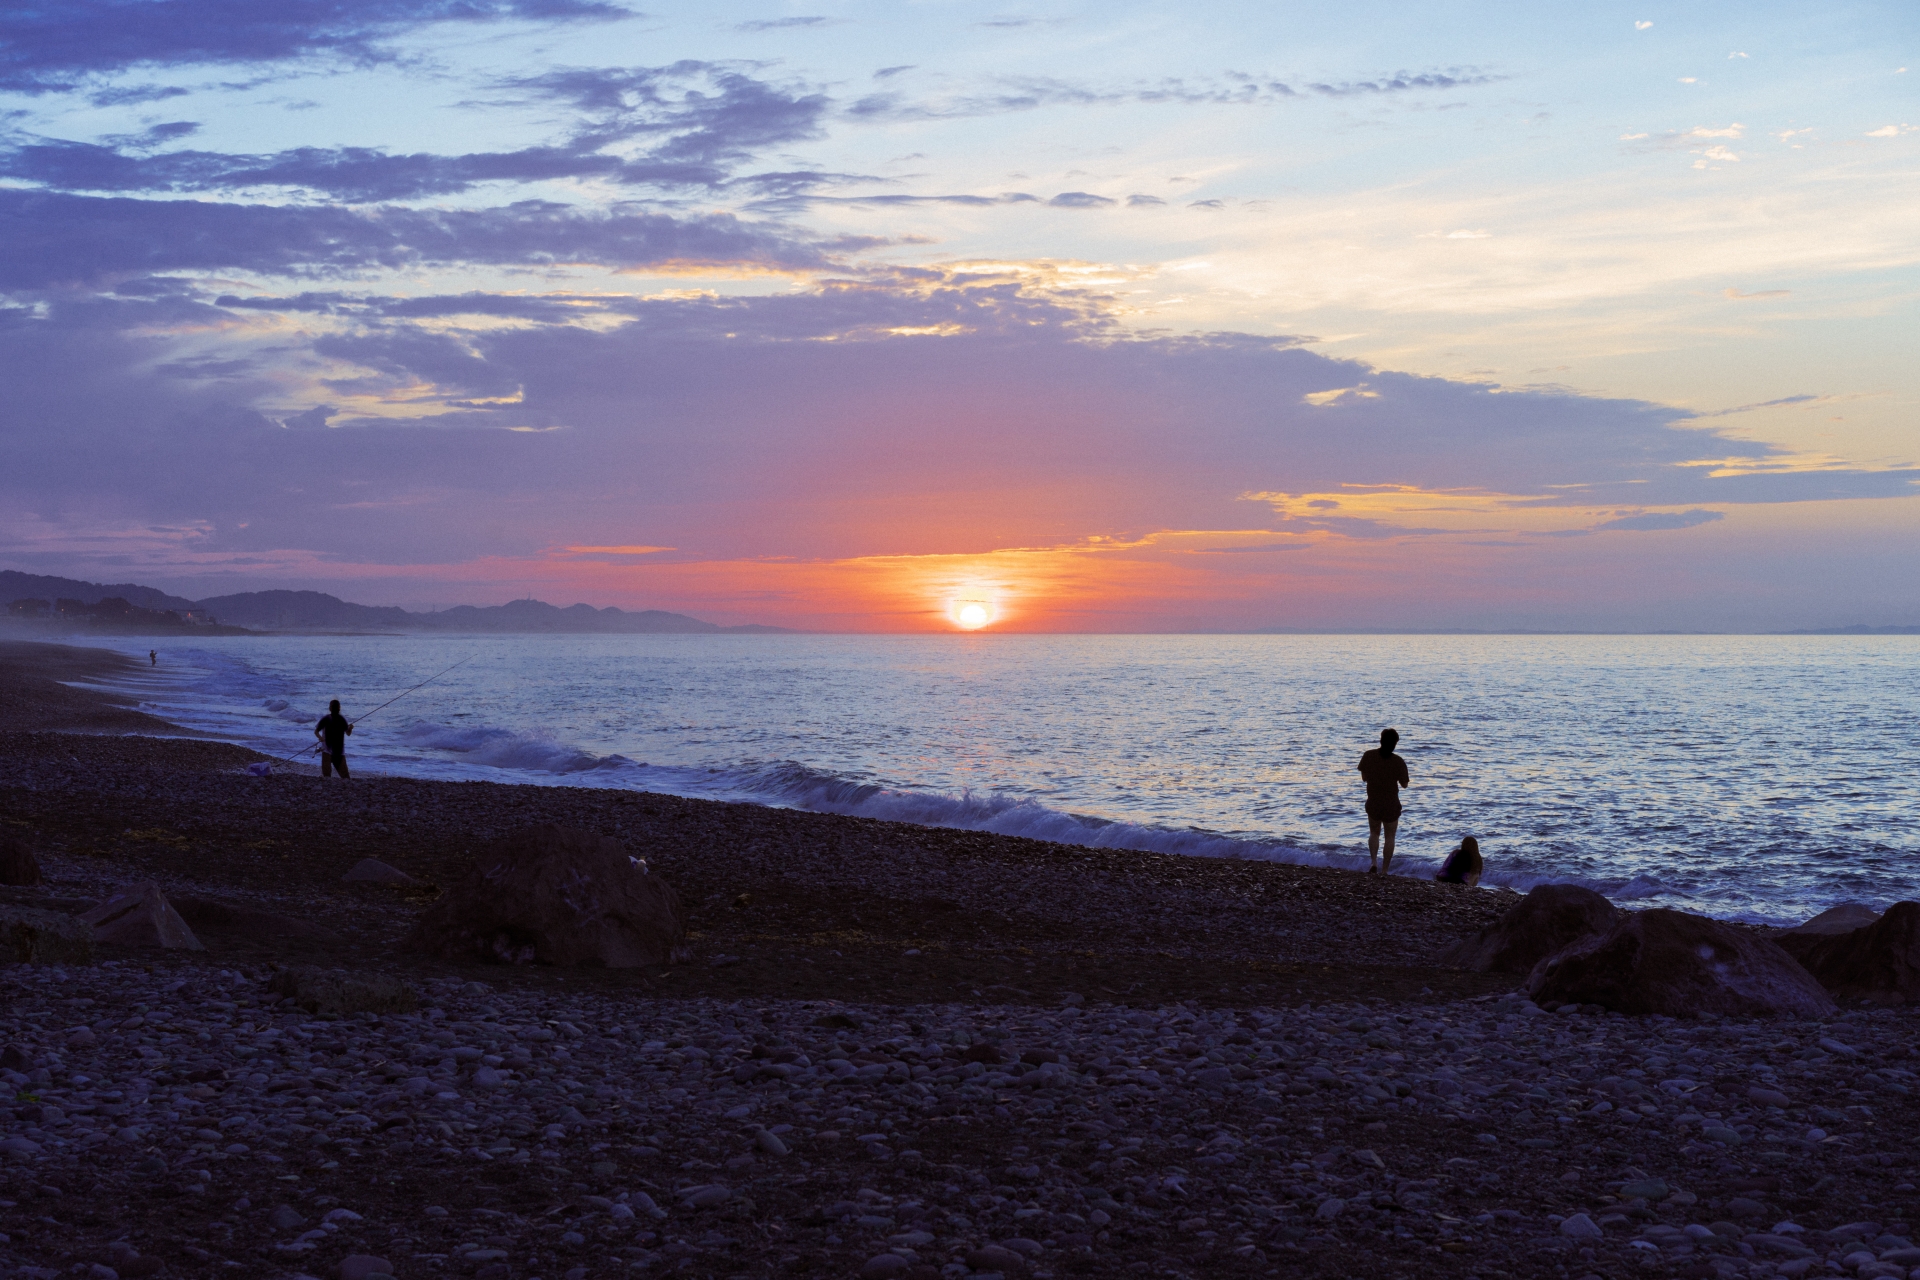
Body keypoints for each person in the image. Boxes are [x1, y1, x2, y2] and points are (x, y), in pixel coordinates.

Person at [1357, 727, 1409, 873]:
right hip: (1391, 803)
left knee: (1374, 833)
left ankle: (1373, 862)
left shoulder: (1368, 755)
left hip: (1373, 800)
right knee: (1390, 836)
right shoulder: (1398, 761)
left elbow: (1364, 777)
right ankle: (1385, 870)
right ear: (1394, 744)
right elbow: (1404, 785)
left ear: (1381, 740)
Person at [314, 699, 353, 779]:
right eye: (334, 707)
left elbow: (348, 733)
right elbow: (316, 732)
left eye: (337, 707)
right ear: (331, 709)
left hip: (339, 753)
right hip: (327, 752)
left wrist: (350, 728)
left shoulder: (342, 720)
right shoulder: (326, 719)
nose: (336, 709)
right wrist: (320, 738)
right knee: (327, 777)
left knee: (345, 777)